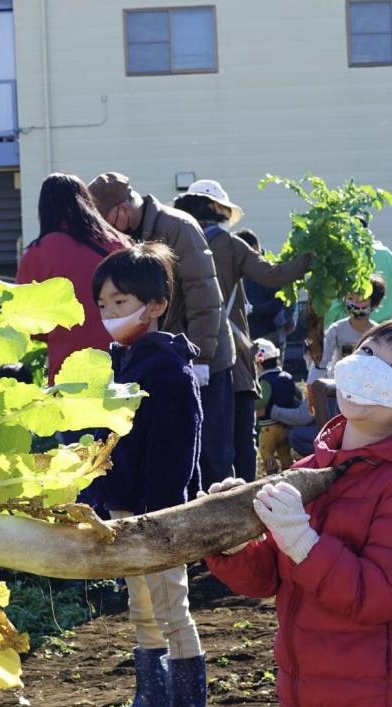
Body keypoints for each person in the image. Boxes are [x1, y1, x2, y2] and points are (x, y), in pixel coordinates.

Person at [206, 316, 392, 707]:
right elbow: (268, 576)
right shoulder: (309, 473)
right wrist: (234, 536)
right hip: (304, 705)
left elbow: (379, 595)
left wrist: (302, 541)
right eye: (366, 353)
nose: (369, 369)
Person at [89, 243, 207, 707]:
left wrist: (158, 515)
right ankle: (152, 700)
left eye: (121, 302)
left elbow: (176, 450)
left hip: (157, 516)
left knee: (170, 605)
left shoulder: (168, 370)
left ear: (156, 305)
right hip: (125, 510)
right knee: (141, 606)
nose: (111, 313)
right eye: (104, 305)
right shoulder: (122, 364)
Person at [87, 171, 234, 484]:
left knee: (211, 453)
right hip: (168, 356)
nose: (107, 228)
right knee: (171, 452)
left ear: (122, 209)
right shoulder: (130, 237)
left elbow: (204, 294)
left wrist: (203, 358)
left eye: (107, 219)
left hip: (204, 357)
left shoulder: (176, 226)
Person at [173, 180, 311, 481]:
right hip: (230, 351)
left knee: (202, 435)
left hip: (189, 351)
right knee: (240, 435)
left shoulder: (176, 243)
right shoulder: (230, 244)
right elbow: (272, 275)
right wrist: (310, 258)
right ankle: (244, 496)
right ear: (213, 206)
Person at [16, 173, 129, 384]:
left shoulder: (40, 251)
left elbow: (26, 322)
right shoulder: (121, 243)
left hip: (69, 370)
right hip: (125, 365)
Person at [323, 218, 392, 327]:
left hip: (352, 328)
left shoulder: (342, 256)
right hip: (386, 326)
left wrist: (328, 327)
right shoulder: (386, 254)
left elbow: (333, 302)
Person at [238, 229, 296, 349]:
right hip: (246, 336)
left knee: (271, 367)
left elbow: (279, 303)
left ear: (254, 248)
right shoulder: (240, 270)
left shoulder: (271, 269)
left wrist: (253, 309)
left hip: (270, 335)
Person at [253, 338, 302, 474]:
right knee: (284, 450)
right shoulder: (287, 376)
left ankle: (272, 472)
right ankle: (288, 471)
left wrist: (252, 402)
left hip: (269, 426)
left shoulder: (264, 380)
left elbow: (263, 401)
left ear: (259, 363)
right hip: (286, 425)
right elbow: (299, 395)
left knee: (266, 451)